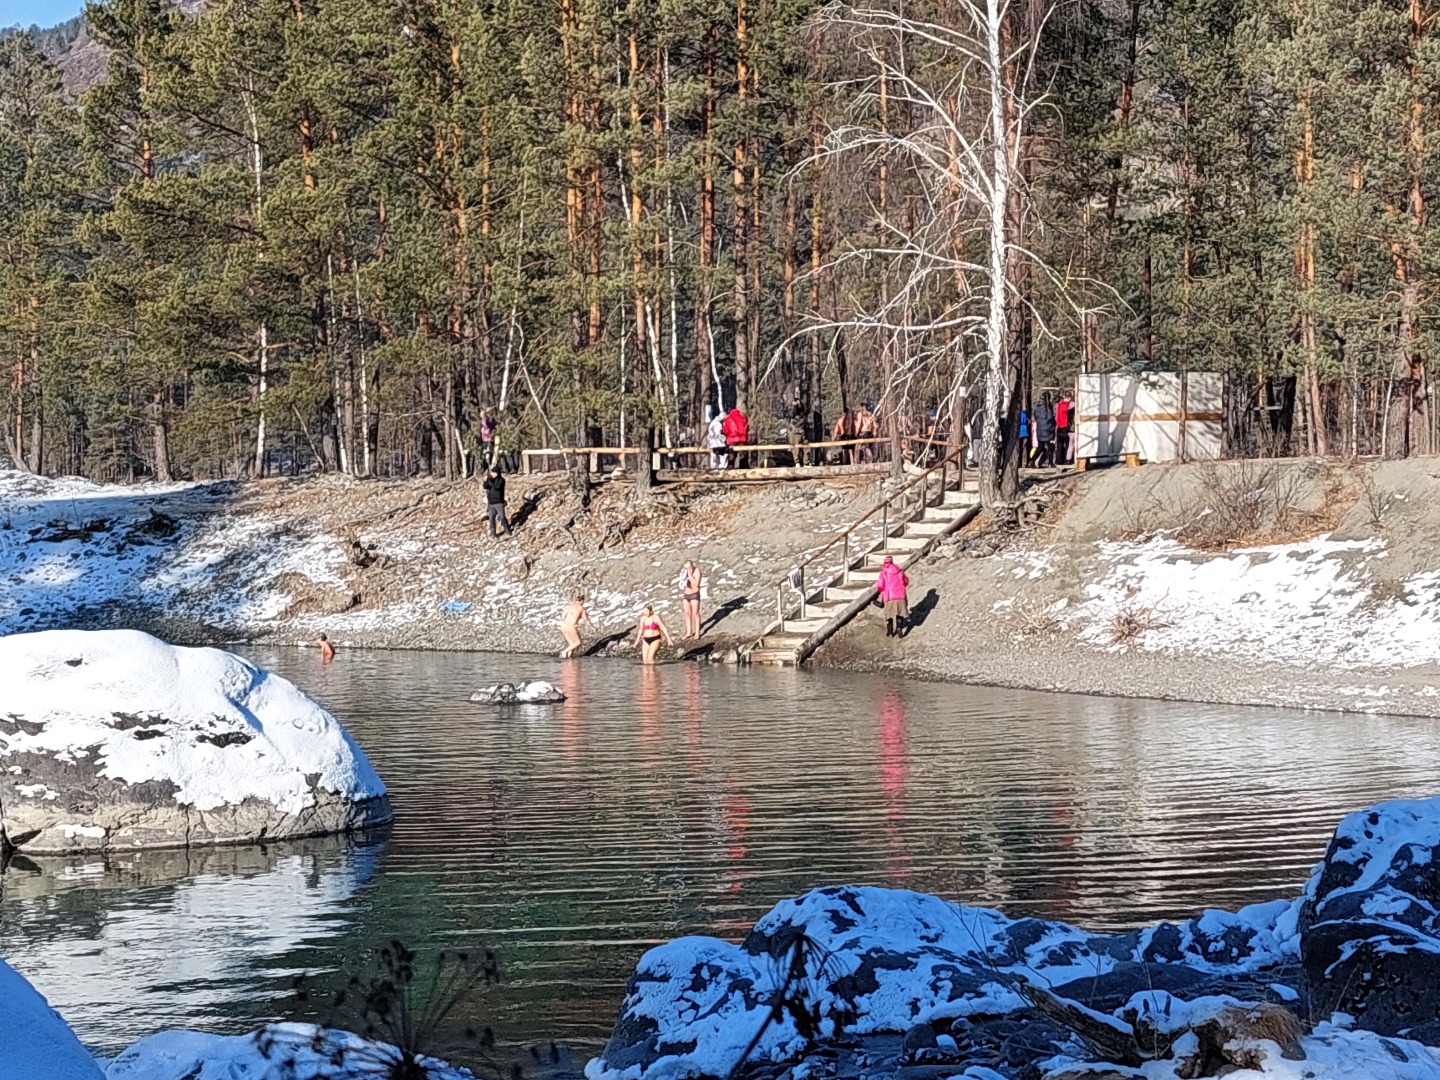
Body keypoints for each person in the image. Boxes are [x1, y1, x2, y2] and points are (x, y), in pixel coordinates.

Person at [877, 555, 910, 638]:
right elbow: (906, 581)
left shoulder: (883, 572)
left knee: (889, 614)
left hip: (889, 597)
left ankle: (890, 630)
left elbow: (880, 585)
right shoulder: (899, 570)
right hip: (900, 596)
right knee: (900, 613)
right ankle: (899, 628)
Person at [559, 593, 591, 658]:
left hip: (563, 626)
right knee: (577, 643)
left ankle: (569, 657)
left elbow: (563, 617)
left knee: (572, 644)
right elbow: (586, 619)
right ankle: (564, 652)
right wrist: (591, 626)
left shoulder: (569, 606)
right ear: (581, 600)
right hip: (571, 627)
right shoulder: (581, 608)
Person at [482, 466, 510, 538]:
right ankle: (493, 533)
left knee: (502, 517)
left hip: (499, 502)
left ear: (497, 473)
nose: (492, 474)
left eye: (493, 472)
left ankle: (507, 530)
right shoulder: (490, 480)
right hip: (491, 503)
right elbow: (485, 486)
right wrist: (486, 480)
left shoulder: (501, 480)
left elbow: (497, 487)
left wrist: (490, 481)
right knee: (491, 519)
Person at [679, 561, 703, 639]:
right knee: (687, 613)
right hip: (686, 594)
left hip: (694, 594)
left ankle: (697, 632)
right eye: (686, 568)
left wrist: (689, 575)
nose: (687, 570)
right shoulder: (684, 573)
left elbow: (696, 584)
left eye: (689, 568)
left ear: (692, 566)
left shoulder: (697, 571)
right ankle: (689, 632)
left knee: (695, 613)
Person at [1033, 392, 1056, 468]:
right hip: (1048, 431)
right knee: (1050, 448)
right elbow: (1050, 419)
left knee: (1040, 447)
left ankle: (1032, 460)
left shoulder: (1037, 407)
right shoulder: (1049, 408)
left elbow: (1036, 417)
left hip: (1040, 431)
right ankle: (1050, 462)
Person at [1055, 391, 1073, 464]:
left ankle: (1059, 460)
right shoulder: (1067, 406)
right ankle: (1066, 459)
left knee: (1060, 445)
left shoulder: (1059, 404)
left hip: (1059, 426)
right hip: (1065, 427)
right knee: (1067, 445)